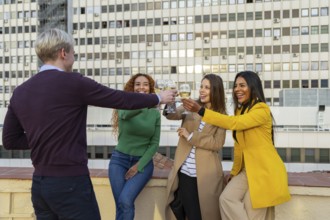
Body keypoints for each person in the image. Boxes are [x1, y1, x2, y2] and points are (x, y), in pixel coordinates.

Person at [1, 28, 176, 220]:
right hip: (71, 183)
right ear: (63, 53)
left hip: (40, 187)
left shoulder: (21, 91)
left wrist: (43, 139)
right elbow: (118, 99)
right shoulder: (73, 82)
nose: (74, 57)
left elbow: (10, 140)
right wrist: (157, 97)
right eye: (73, 53)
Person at [182, 71, 291, 220]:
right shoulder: (240, 110)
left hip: (264, 171)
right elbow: (239, 147)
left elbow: (234, 123)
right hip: (246, 171)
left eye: (242, 85)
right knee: (226, 199)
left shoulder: (261, 110)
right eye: (235, 86)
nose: (237, 89)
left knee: (252, 214)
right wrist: (233, 173)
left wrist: (201, 110)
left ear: (253, 87)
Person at [165, 74, 227, 220]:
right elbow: (171, 115)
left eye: (207, 88)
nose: (202, 90)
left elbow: (217, 143)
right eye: (201, 86)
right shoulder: (191, 105)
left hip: (206, 175)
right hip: (185, 172)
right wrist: (171, 100)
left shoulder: (222, 115)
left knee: (202, 214)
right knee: (182, 213)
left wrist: (191, 136)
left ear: (216, 91)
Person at [108, 73, 160, 220]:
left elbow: (154, 144)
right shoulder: (124, 105)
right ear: (132, 87)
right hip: (119, 160)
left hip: (142, 163)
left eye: (145, 84)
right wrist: (146, 102)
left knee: (125, 200)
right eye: (137, 84)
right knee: (121, 205)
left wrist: (138, 166)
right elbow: (124, 115)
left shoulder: (155, 114)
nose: (141, 87)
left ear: (150, 89)